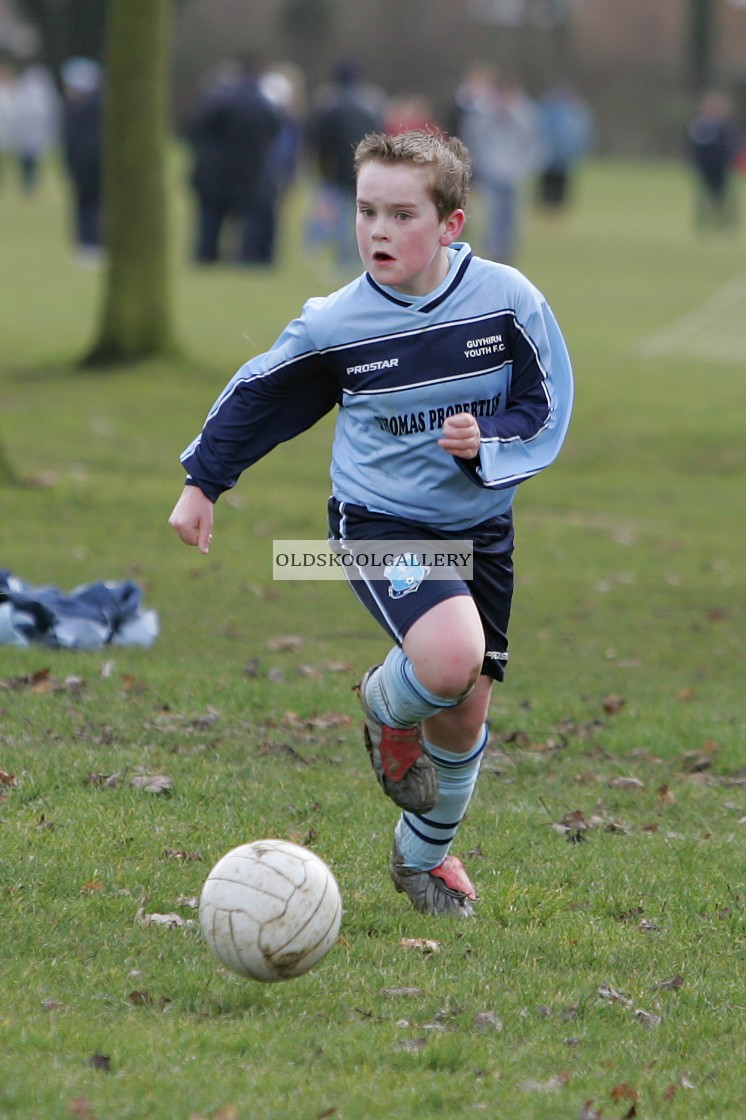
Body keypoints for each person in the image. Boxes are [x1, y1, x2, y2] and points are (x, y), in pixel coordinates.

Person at [169, 130, 573, 917]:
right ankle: (385, 714)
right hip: (379, 520)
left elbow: (546, 408)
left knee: (464, 712)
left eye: (401, 213)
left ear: (451, 225)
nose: (378, 231)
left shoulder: (508, 301)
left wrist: (487, 440)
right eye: (365, 211)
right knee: (450, 657)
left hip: (482, 529)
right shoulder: (337, 322)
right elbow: (260, 394)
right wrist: (202, 483)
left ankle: (420, 861)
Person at [187, 55, 283, 265]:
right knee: (251, 221)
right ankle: (248, 258)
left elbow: (196, 128)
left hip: (215, 173)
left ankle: (206, 257)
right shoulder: (265, 106)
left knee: (211, 221)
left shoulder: (220, 101)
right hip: (252, 173)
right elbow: (276, 132)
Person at [454, 63, 543, 263]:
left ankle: (508, 256)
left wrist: (522, 170)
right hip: (491, 176)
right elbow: (473, 145)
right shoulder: (483, 119)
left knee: (512, 220)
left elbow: (533, 146)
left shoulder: (525, 118)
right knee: (491, 217)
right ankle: (489, 255)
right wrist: (482, 169)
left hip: (514, 177)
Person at [305, 61, 385, 271]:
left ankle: (341, 259)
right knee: (363, 215)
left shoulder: (330, 106)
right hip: (367, 167)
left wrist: (322, 169)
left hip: (337, 169)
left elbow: (319, 141)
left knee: (340, 216)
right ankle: (360, 259)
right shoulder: (371, 105)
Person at [60, 57, 103, 261]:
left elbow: (82, 142)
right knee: (89, 204)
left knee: (91, 205)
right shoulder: (86, 106)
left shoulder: (85, 108)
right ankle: (88, 243)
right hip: (86, 166)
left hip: (89, 167)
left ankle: (91, 244)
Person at [686, 90, 740, 232]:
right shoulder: (698, 125)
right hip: (704, 166)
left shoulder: (724, 126)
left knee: (723, 196)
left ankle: (725, 224)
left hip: (721, 166)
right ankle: (702, 224)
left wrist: (729, 161)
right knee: (703, 196)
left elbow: (731, 145)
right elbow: (693, 146)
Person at [535, 80, 593, 212]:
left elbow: (581, 134)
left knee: (562, 185)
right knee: (547, 184)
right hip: (548, 156)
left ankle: (558, 211)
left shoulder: (576, 112)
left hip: (565, 157)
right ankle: (546, 210)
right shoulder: (548, 109)